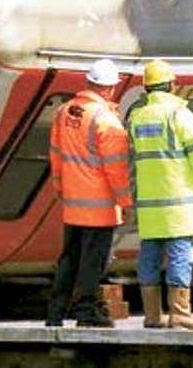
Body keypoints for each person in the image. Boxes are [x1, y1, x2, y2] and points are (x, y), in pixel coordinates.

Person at [127, 59, 193, 329]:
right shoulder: (180, 116)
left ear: (147, 87)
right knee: (180, 254)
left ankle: (152, 315)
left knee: (149, 255)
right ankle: (180, 312)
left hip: (150, 204)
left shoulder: (137, 117)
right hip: (180, 203)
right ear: (172, 85)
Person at [46, 58, 133, 327]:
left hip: (72, 202)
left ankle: (55, 312)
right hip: (100, 206)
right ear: (109, 89)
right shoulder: (107, 121)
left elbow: (56, 155)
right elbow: (115, 168)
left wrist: (60, 188)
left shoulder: (64, 112)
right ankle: (85, 311)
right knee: (92, 261)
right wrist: (124, 201)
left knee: (69, 258)